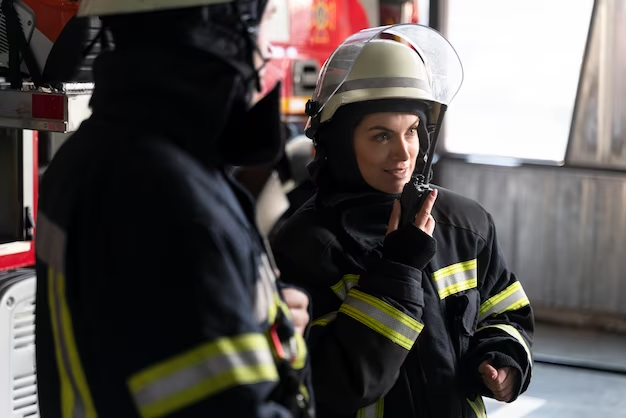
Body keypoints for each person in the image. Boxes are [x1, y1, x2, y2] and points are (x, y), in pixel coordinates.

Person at [34, 0, 314, 416]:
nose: (269, 51)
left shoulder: (102, 153)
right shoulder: (168, 196)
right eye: (263, 24)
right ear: (216, 31)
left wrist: (260, 318)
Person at [271, 24, 534, 418]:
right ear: (341, 141)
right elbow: (332, 382)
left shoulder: (465, 225)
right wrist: (397, 271)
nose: (403, 153)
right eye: (381, 136)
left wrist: (504, 360)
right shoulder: (304, 246)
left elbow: (504, 311)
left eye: (412, 131)